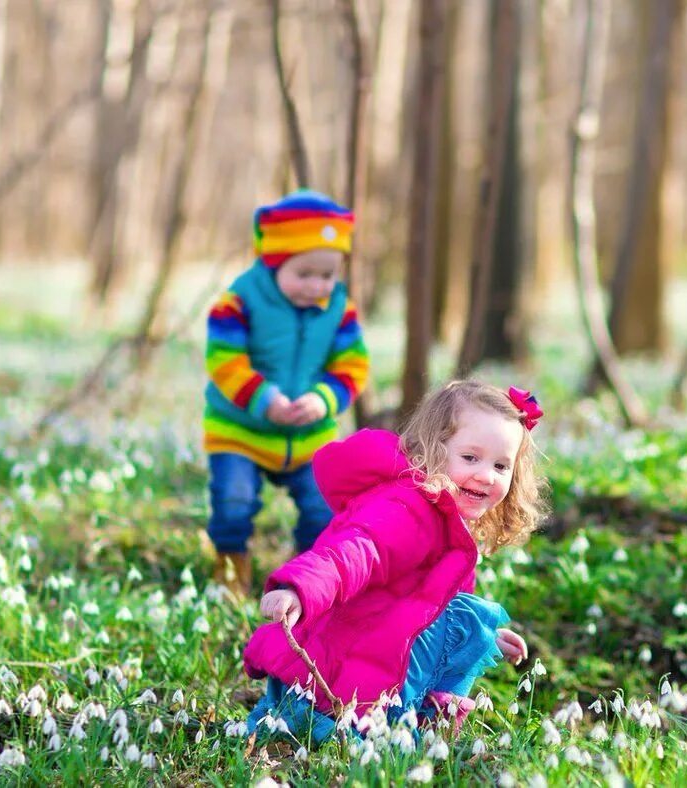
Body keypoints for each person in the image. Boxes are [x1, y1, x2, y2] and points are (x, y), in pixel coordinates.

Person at [241, 380, 548, 744]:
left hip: (356, 663)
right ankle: (380, 723)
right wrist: (301, 588)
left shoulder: (447, 522)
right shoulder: (408, 509)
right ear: (432, 451)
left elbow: (430, 602)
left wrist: (483, 641)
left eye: (501, 465)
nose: (486, 474)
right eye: (470, 458)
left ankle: (387, 720)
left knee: (470, 620)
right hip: (337, 677)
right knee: (469, 616)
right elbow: (356, 551)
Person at [204, 189, 370, 596]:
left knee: (321, 506)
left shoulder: (339, 308)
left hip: (309, 432)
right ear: (273, 262)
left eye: (328, 275)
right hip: (240, 429)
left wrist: (324, 399)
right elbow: (225, 360)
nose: (317, 286)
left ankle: (305, 577)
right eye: (305, 273)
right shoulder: (239, 301)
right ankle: (230, 569)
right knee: (234, 501)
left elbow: (352, 364)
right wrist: (264, 399)